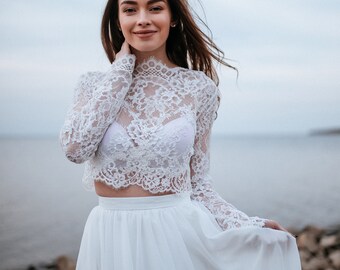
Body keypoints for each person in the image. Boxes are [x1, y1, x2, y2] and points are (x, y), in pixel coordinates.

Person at [60, 0, 301, 269]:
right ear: (118, 21)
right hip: (109, 235)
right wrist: (119, 72)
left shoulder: (199, 88)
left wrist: (245, 223)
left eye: (155, 8)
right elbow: (75, 149)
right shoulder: (92, 84)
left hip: (175, 235)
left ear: (172, 17)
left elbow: (198, 183)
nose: (142, 19)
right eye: (130, 10)